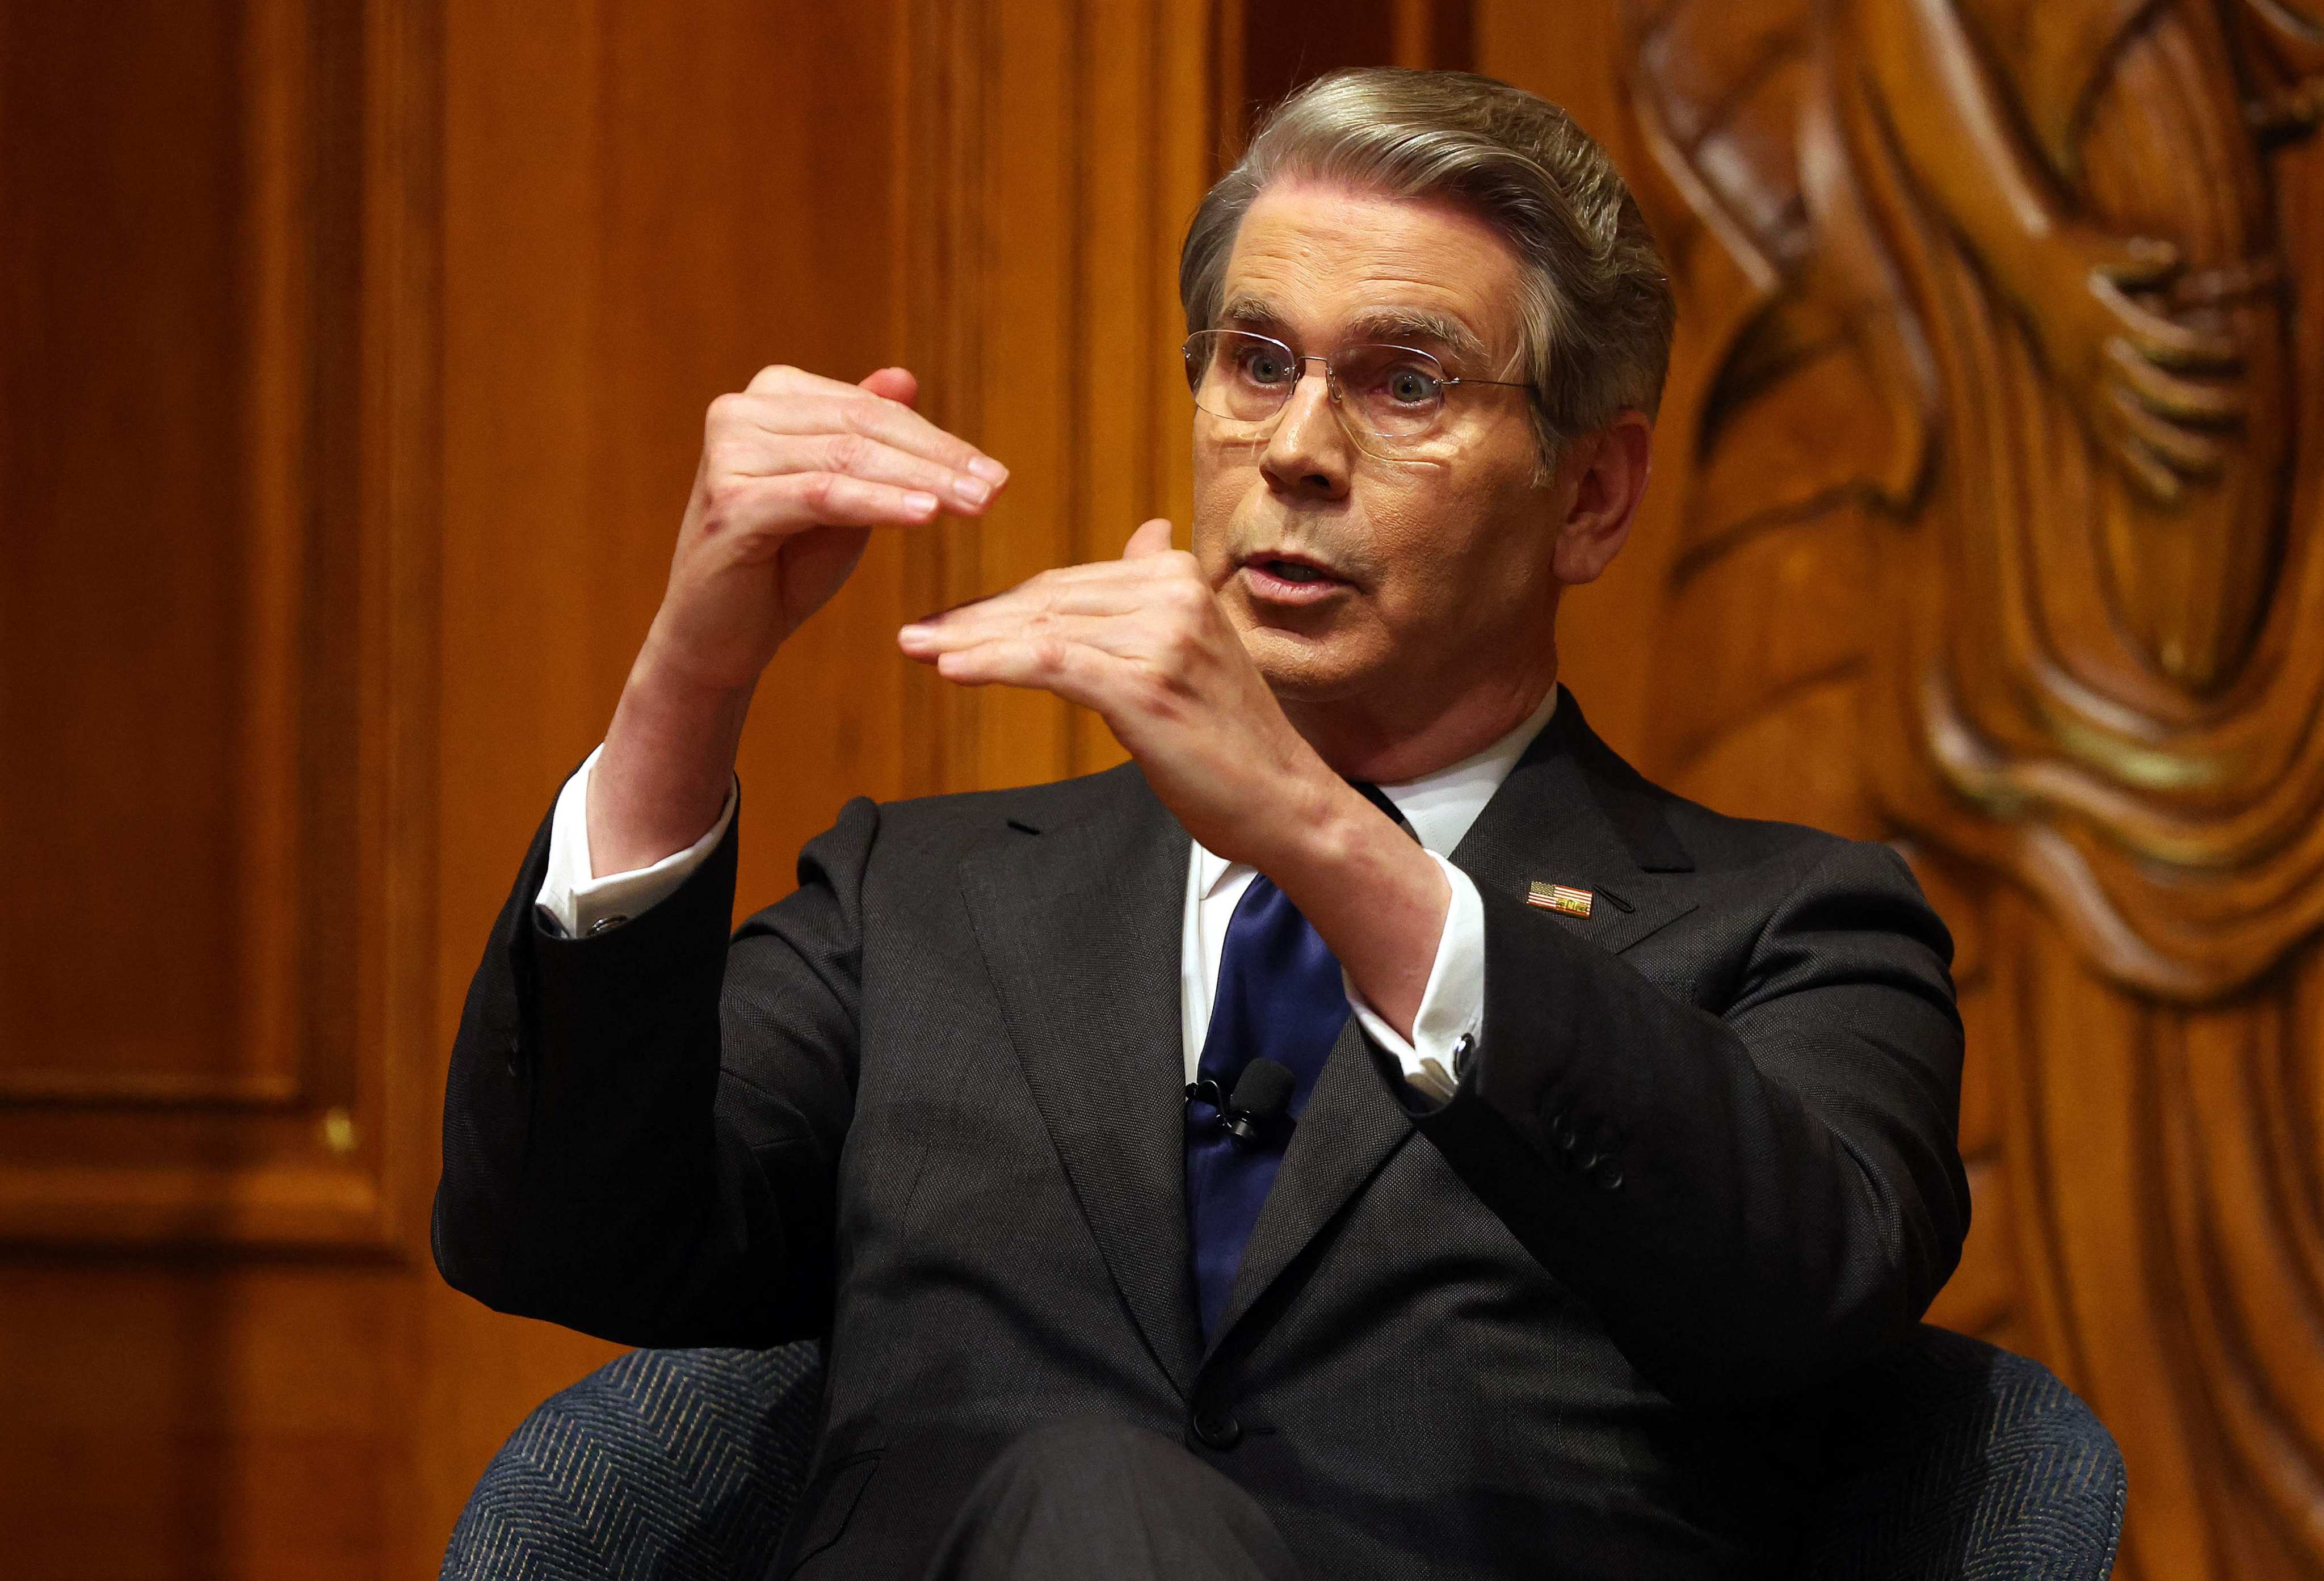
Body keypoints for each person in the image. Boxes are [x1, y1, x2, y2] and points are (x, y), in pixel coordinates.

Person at [434, 68, 1969, 1581]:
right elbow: (556, 1233)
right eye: (1257, 362)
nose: (1298, 449)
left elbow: (1801, 1292)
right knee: (1092, 1497)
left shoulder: (1794, 929)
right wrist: (691, 676)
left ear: (1593, 496)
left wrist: (1317, 833)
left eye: (1405, 381)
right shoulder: (924, 904)